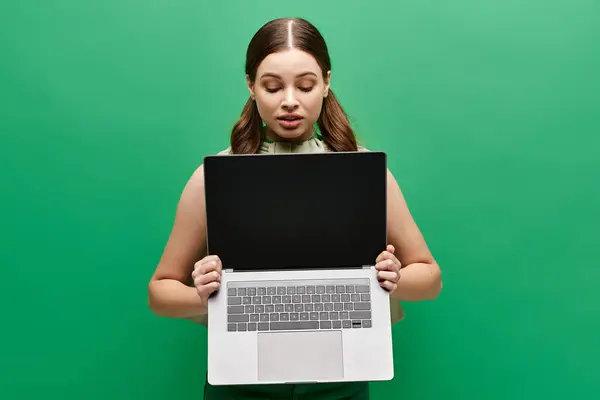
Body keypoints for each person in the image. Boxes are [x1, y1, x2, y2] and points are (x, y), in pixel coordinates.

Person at [148, 17, 442, 400]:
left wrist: (393, 278)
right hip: (241, 387)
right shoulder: (213, 177)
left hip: (340, 385)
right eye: (272, 87)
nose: (290, 100)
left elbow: (431, 279)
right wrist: (200, 294)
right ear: (251, 87)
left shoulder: (366, 171)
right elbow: (159, 292)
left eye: (305, 86)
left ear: (326, 83)